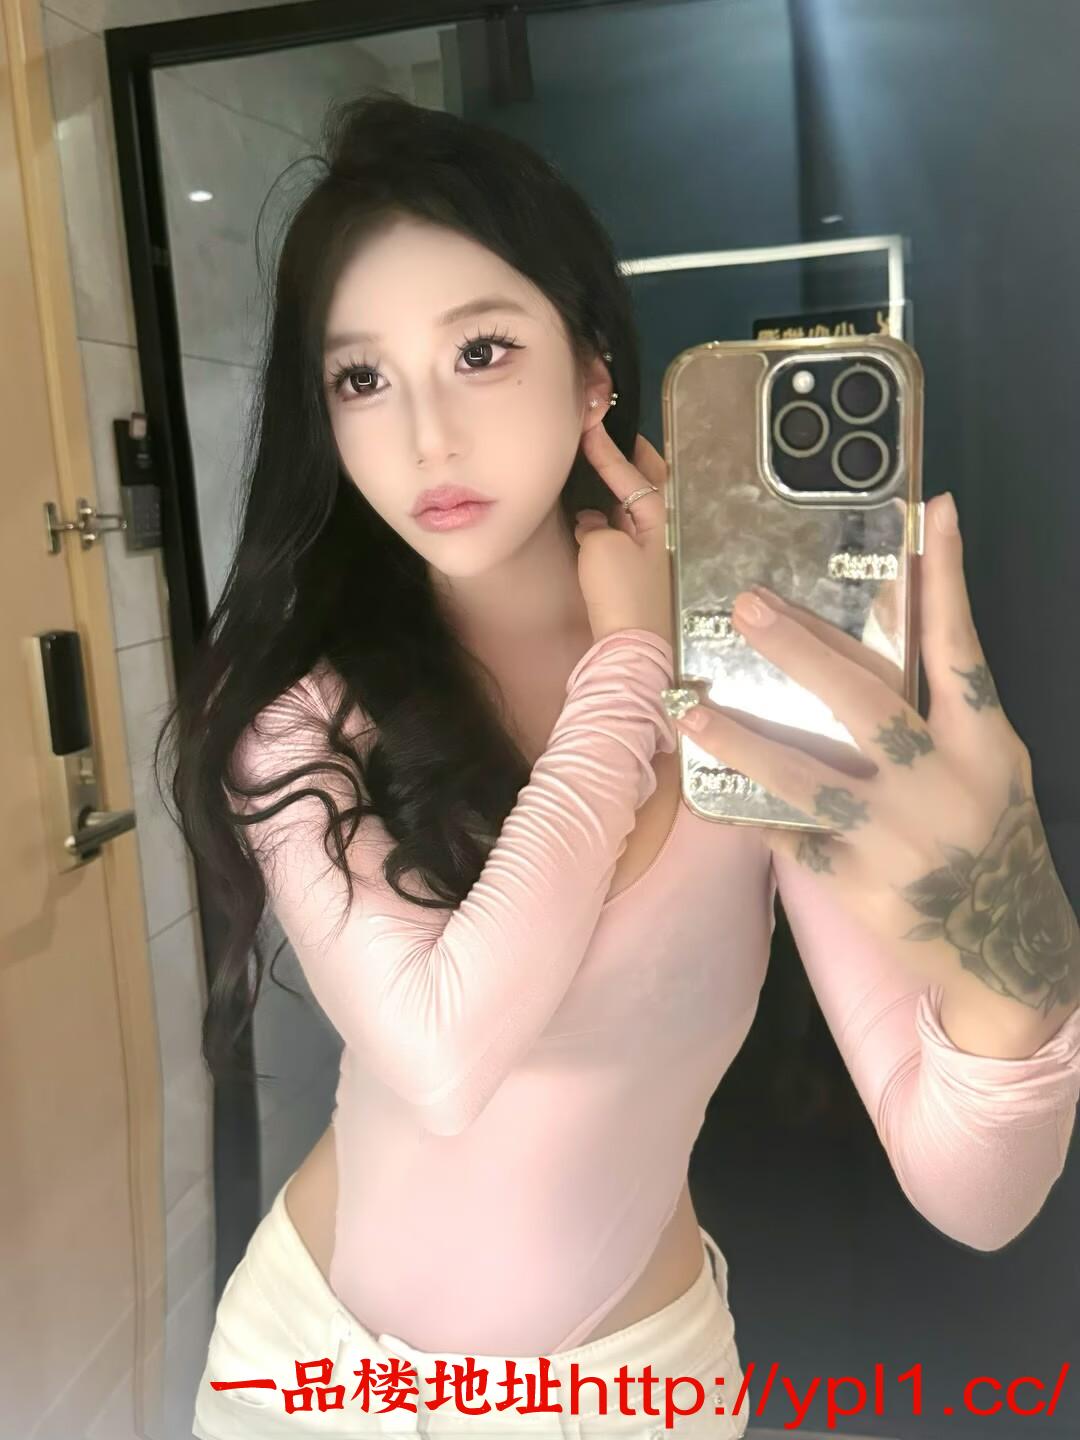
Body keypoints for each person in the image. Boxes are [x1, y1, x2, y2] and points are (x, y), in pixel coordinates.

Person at [167, 92, 1080, 1438]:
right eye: (360, 378)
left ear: (592, 371)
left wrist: (1019, 956)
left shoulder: (758, 690)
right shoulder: (304, 710)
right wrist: (629, 670)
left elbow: (977, 1197)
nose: (424, 437)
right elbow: (442, 1056)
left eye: (481, 351)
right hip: (306, 1369)